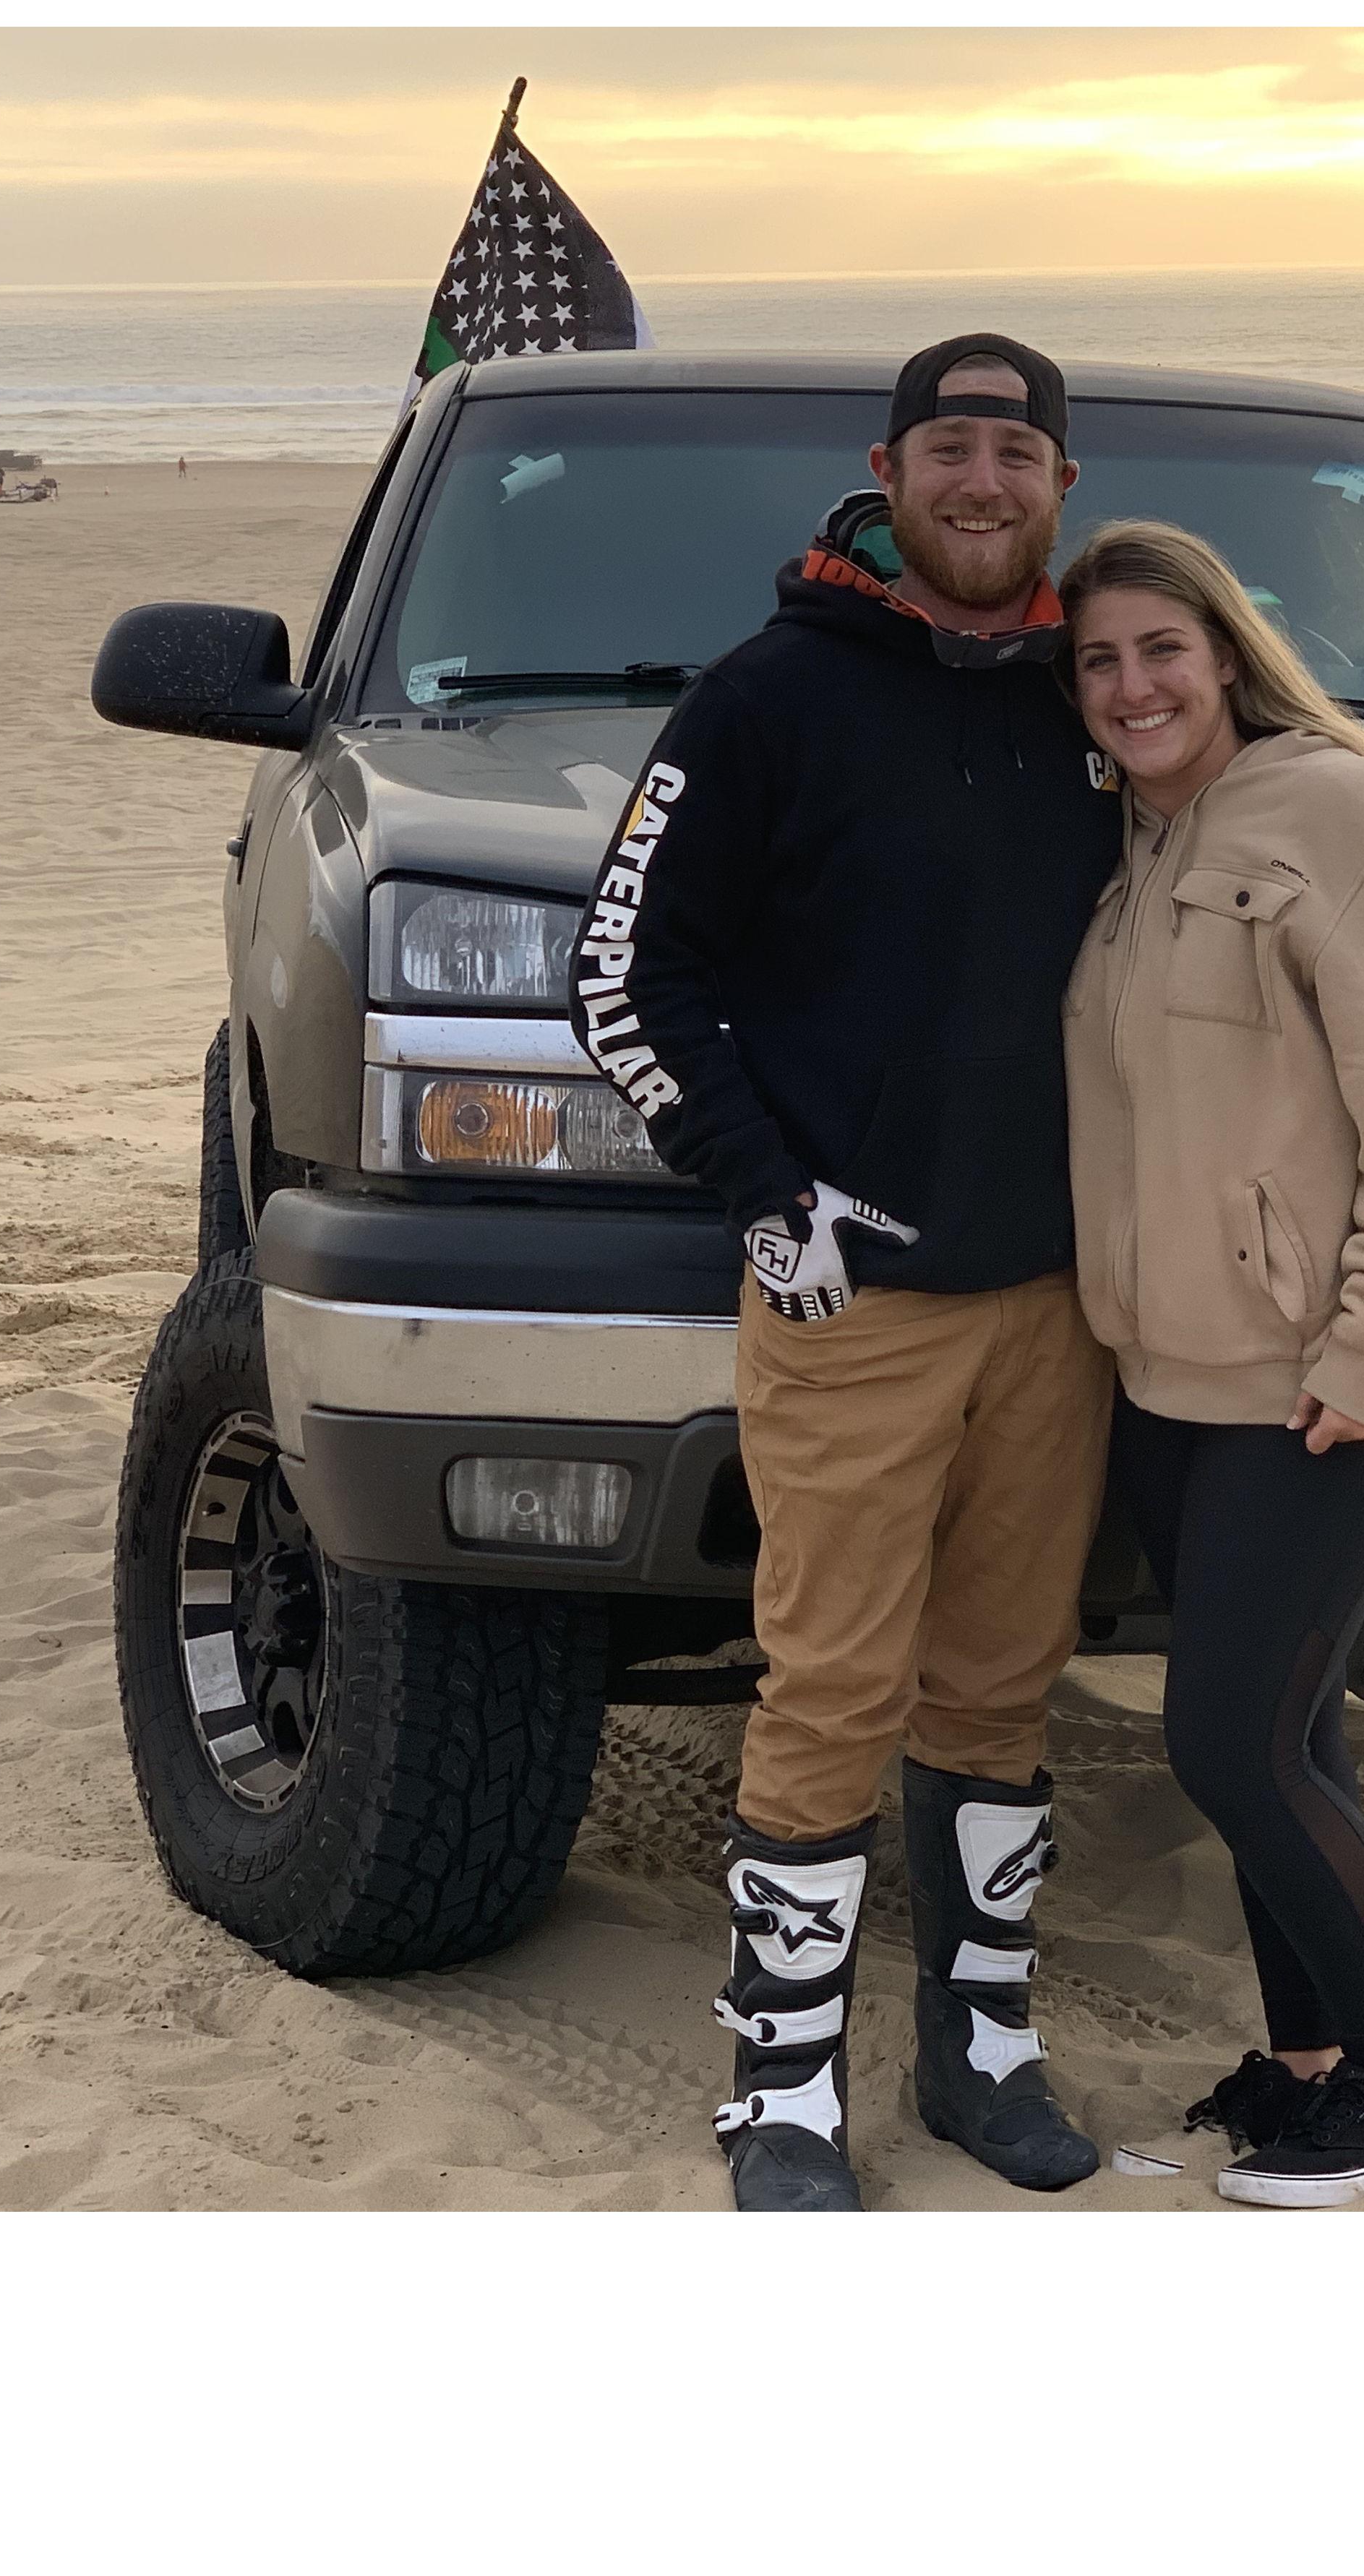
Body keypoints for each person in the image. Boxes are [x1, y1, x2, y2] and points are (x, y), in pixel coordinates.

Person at [575, 336, 1120, 2213]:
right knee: (831, 1688)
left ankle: (980, 2057)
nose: (984, 482)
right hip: (850, 1302)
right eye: (952, 449)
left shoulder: (1105, 698)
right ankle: (779, 2094)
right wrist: (762, 1190)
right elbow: (624, 974)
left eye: (1019, 453)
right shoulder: (766, 700)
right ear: (889, 470)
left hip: (1059, 1301)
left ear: (1064, 483)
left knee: (1000, 1689)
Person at [1056, 518, 1364, 2206]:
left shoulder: (1349, 819)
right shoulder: (1137, 844)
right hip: (1170, 1386)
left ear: (1227, 652)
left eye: (1160, 652)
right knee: (1291, 1741)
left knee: (1229, 1746)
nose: (1131, 686)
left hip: (1315, 1390)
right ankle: (1306, 2066)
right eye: (1099, 662)